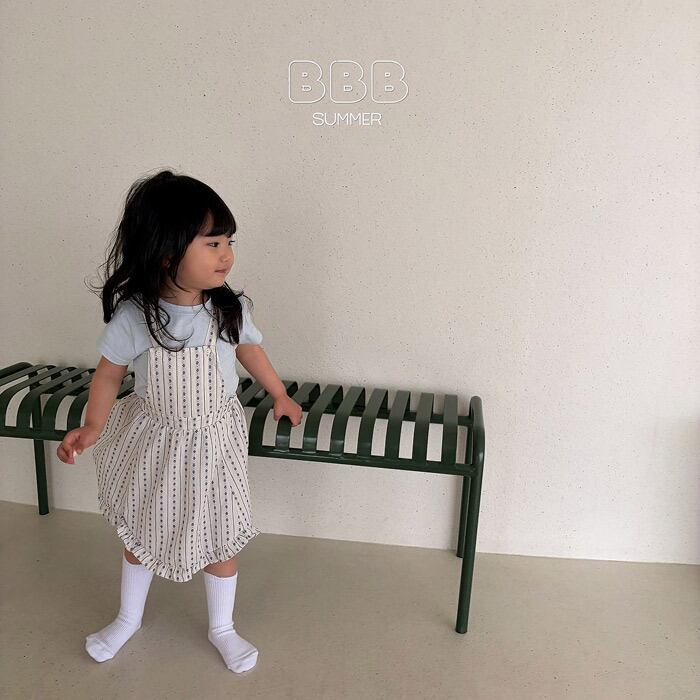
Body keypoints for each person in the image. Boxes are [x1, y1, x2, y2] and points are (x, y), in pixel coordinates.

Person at [56, 169, 302, 674]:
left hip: (215, 441)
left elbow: (250, 351)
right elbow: (108, 373)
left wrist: (279, 394)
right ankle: (127, 618)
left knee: (221, 534)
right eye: (212, 243)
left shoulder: (228, 309)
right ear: (167, 252)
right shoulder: (137, 315)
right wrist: (94, 425)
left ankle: (222, 627)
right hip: (157, 441)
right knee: (143, 531)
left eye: (229, 242)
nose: (226, 255)